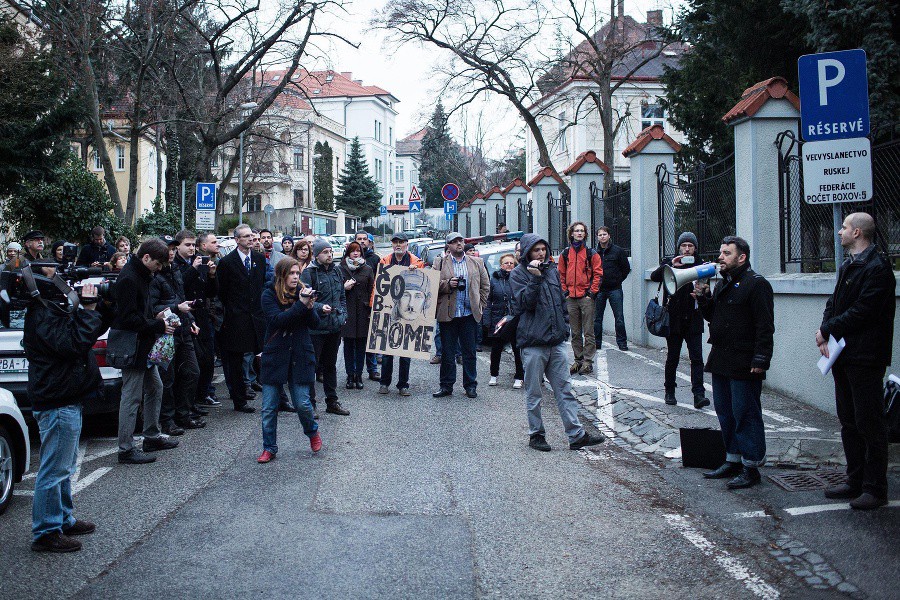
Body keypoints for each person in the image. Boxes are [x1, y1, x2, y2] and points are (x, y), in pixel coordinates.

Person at [25, 279, 112, 552]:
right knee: (54, 469)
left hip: (66, 396)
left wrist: (101, 308)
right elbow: (74, 344)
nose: (63, 283)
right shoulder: (42, 314)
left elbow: (88, 331)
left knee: (65, 466)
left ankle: (62, 518)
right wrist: (86, 310)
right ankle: (46, 531)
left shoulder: (51, 309)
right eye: (54, 277)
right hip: (57, 400)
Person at [817, 213, 895, 510]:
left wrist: (827, 329)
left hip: (865, 356)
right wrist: (825, 328)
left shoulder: (877, 268)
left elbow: (864, 311)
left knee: (869, 423)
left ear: (858, 232)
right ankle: (855, 480)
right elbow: (833, 302)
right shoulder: (850, 264)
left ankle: (875, 488)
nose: (839, 231)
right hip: (844, 354)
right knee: (849, 420)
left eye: (845, 227)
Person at [509, 234, 606, 452]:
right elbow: (525, 303)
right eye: (536, 250)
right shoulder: (518, 275)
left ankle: (576, 435)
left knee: (565, 390)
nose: (541, 253)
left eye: (544, 249)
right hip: (533, 343)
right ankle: (536, 434)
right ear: (527, 253)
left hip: (556, 342)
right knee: (534, 393)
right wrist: (534, 278)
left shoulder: (551, 271)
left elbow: (561, 302)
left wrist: (564, 328)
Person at [695, 236, 774, 489]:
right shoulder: (723, 284)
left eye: (727, 253)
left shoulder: (756, 284)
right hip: (721, 358)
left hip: (744, 360)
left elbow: (765, 326)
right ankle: (733, 459)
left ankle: (751, 466)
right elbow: (714, 317)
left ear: (742, 257)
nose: (720, 257)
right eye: (721, 252)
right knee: (725, 411)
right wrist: (704, 298)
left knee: (745, 413)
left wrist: (761, 358)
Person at [112, 239, 180, 464]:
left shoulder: (140, 275)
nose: (160, 269)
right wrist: (158, 324)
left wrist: (156, 318)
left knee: (155, 388)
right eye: (158, 264)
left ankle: (151, 435)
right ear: (146, 258)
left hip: (142, 345)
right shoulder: (130, 278)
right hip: (133, 346)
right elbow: (128, 318)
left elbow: (139, 311)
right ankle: (126, 449)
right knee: (131, 397)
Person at [257, 258, 323, 463]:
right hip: (276, 354)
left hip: (300, 354)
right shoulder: (269, 294)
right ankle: (269, 447)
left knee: (303, 404)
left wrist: (310, 306)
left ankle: (312, 432)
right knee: (269, 407)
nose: (296, 277)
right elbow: (277, 321)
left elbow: (315, 324)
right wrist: (301, 306)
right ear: (282, 275)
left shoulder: (304, 292)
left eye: (297, 273)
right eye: (291, 273)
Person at [650, 232, 710, 409]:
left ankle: (698, 394)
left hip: (693, 318)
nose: (687, 249)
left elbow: (707, 292)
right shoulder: (670, 262)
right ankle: (669, 391)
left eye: (690, 246)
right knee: (673, 357)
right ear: (679, 248)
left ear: (695, 248)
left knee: (697, 358)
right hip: (674, 318)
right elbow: (654, 277)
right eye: (683, 245)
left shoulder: (701, 265)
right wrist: (670, 264)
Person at [150, 235, 204, 435]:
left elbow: (181, 299)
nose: (171, 253)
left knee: (192, 372)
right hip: (165, 333)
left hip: (182, 330)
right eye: (168, 249)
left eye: (173, 249)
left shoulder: (175, 271)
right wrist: (176, 307)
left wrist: (191, 320)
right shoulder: (155, 276)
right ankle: (167, 420)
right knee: (167, 378)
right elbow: (153, 307)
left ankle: (183, 414)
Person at [216, 224, 267, 413]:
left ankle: (266, 391)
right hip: (236, 319)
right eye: (246, 237)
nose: (251, 240)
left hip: (256, 318)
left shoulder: (260, 260)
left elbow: (260, 286)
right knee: (235, 361)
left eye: (252, 237)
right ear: (237, 240)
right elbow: (222, 292)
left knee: (259, 356)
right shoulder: (227, 263)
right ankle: (238, 398)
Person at [433, 231, 489, 399]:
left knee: (469, 352)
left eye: (460, 240)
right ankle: (446, 386)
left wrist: (480, 306)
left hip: (468, 314)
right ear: (448, 246)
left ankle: (470, 385)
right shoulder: (440, 262)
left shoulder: (477, 262)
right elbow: (432, 284)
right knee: (448, 353)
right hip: (448, 314)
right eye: (454, 241)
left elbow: (485, 286)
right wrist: (448, 284)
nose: (459, 243)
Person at [300, 238, 349, 416]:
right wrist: (320, 307)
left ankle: (332, 402)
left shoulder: (336, 270)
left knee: (330, 365)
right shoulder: (309, 273)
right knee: (312, 367)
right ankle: (310, 405)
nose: (329, 255)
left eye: (330, 252)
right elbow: (305, 297)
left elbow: (342, 295)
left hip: (334, 327)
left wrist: (343, 314)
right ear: (317, 255)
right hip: (316, 328)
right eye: (325, 252)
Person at [376, 233, 425, 396]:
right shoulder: (385, 261)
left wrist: (416, 270)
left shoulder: (416, 261)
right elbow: (378, 286)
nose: (398, 245)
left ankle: (403, 384)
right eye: (396, 242)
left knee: (405, 351)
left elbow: (424, 282)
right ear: (392, 245)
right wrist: (374, 307)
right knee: (387, 350)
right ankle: (384, 383)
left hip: (408, 309)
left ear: (406, 244)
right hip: (389, 308)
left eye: (401, 242)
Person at [558, 221, 603, 375]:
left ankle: (588, 362)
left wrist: (591, 293)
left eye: (582, 231)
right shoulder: (565, 253)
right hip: (571, 297)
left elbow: (598, 274)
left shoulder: (591, 253)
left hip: (586, 297)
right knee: (575, 332)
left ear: (585, 234)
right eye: (576, 231)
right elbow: (561, 275)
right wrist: (565, 292)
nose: (579, 233)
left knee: (589, 332)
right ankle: (578, 361)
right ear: (571, 233)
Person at [338, 242, 374, 390]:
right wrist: (344, 287)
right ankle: (350, 375)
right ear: (348, 253)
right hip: (348, 311)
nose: (355, 253)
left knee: (361, 345)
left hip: (363, 312)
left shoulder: (367, 268)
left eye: (358, 251)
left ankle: (359, 375)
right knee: (348, 345)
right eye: (352, 251)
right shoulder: (340, 268)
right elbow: (335, 289)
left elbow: (373, 289)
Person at [486, 253, 524, 389]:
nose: (509, 265)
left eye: (511, 263)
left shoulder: (518, 279)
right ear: (501, 265)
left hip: (515, 318)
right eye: (506, 263)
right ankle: (493, 375)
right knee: (496, 349)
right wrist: (487, 320)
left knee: (517, 349)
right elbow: (488, 300)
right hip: (498, 318)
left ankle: (519, 376)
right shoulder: (494, 279)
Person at [594, 226, 631, 351]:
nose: (602, 236)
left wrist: (618, 280)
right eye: (600, 235)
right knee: (597, 318)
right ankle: (596, 343)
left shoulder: (618, 251)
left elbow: (625, 268)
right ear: (597, 237)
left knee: (619, 317)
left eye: (604, 234)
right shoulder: (594, 253)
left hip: (615, 289)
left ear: (609, 235)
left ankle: (622, 343)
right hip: (599, 290)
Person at [197, 233, 223, 407]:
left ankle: (207, 391)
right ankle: (202, 393)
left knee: (210, 356)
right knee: (203, 358)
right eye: (214, 242)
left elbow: (213, 291)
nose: (218, 245)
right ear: (203, 246)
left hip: (213, 315)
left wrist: (213, 275)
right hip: (200, 315)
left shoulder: (218, 261)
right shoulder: (197, 264)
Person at [356, 231, 381, 380]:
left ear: (370, 242)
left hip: (370, 303)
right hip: (354, 304)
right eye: (359, 239)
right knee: (355, 340)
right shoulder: (349, 259)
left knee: (371, 339)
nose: (362, 242)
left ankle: (372, 369)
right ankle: (354, 371)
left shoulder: (375, 259)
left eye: (365, 239)